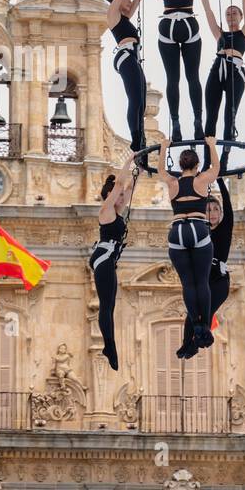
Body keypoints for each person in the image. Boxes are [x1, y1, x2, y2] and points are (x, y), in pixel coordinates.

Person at [156, 134, 219, 350]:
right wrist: (211, 145)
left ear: (180, 165)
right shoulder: (201, 181)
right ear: (197, 165)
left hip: (178, 232)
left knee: (188, 284)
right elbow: (216, 168)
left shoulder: (172, 183)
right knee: (202, 281)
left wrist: (164, 148)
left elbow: (160, 169)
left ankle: (196, 324)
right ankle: (205, 325)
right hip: (198, 228)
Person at [153, 0, 216, 142]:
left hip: (168, 26)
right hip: (189, 24)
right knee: (193, 77)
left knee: (173, 79)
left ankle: (176, 124)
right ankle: (198, 122)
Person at [89, 153, 140, 370]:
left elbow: (128, 189)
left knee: (110, 305)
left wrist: (139, 171)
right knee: (105, 304)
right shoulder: (106, 210)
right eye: (116, 196)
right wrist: (129, 161)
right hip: (103, 258)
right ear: (110, 195)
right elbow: (120, 185)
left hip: (108, 259)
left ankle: (110, 346)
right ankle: (109, 346)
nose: (121, 199)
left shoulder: (117, 212)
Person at [199, 0, 245, 170]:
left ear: (240, 17)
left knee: (230, 115)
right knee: (211, 117)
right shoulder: (220, 34)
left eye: (234, 13)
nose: (230, 16)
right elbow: (208, 11)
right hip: (218, 68)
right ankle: (207, 161)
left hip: (235, 71)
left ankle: (225, 159)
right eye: (228, 14)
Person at [177, 175, 233, 359]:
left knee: (207, 313)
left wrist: (220, 181)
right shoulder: (199, 230)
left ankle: (195, 344)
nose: (213, 213)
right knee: (192, 314)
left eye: (216, 209)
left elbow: (229, 207)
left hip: (219, 280)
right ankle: (187, 344)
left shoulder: (225, 228)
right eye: (209, 209)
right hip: (202, 278)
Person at [105, 0, 151, 154]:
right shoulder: (113, 16)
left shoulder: (126, 17)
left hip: (133, 57)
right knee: (134, 98)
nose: (130, 0)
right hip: (125, 56)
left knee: (141, 100)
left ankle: (141, 139)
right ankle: (136, 139)